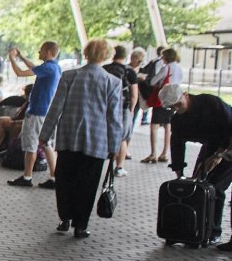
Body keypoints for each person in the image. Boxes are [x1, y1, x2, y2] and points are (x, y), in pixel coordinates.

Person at [38, 39, 123, 239]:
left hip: (68, 138)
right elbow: (114, 117)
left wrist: (45, 134)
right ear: (106, 56)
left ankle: (65, 217)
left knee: (65, 179)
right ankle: (81, 225)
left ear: (86, 54)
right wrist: (114, 145)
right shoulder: (113, 82)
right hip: (97, 142)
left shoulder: (70, 76)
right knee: (88, 183)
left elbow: (55, 108)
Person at [161, 84, 232, 250]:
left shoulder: (210, 103)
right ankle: (197, 228)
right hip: (212, 145)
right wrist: (179, 172)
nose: (176, 109)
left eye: (178, 104)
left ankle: (213, 232)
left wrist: (219, 156)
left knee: (215, 186)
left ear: (186, 95)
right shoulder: (178, 119)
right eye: (172, 107)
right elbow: (177, 143)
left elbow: (230, 127)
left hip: (229, 140)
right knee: (198, 186)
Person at [6, 41, 61, 189]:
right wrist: (21, 56)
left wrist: (12, 58)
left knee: (31, 145)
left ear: (48, 51)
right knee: (46, 144)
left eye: (41, 50)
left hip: (37, 111)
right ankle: (54, 177)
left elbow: (20, 73)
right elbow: (33, 67)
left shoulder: (48, 68)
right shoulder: (55, 67)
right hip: (46, 112)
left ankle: (27, 176)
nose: (38, 52)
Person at [141, 47, 184, 163]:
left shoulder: (166, 68)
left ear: (166, 57)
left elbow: (153, 81)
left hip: (163, 100)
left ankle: (153, 153)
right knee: (168, 126)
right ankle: (165, 153)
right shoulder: (180, 69)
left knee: (154, 126)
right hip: (174, 100)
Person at [102, 44, 139, 174]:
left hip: (105, 107)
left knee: (104, 134)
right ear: (125, 56)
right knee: (122, 138)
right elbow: (134, 95)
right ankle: (119, 167)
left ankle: (102, 163)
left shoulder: (104, 69)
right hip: (123, 108)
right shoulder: (130, 71)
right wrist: (131, 109)